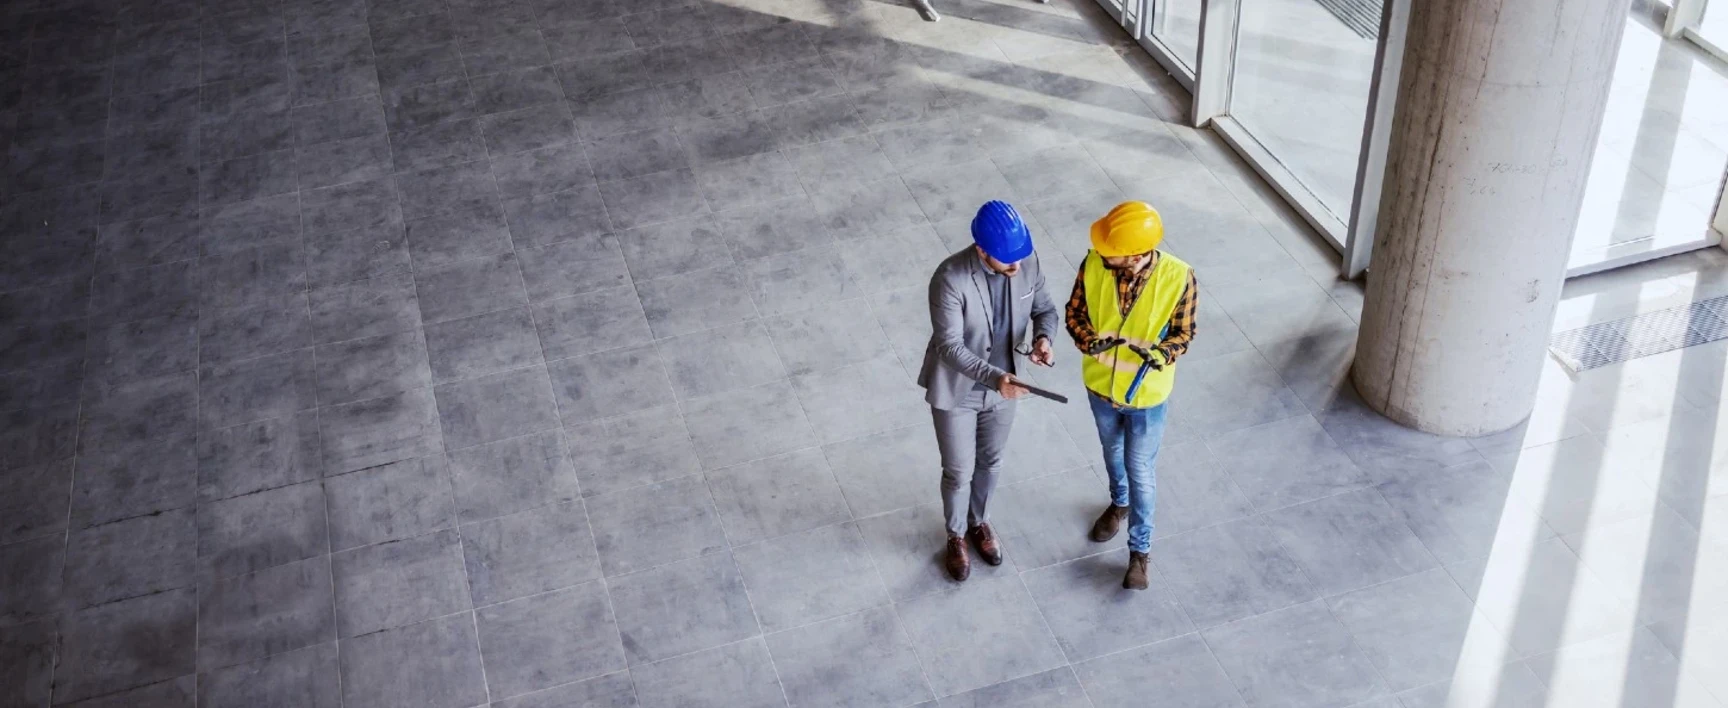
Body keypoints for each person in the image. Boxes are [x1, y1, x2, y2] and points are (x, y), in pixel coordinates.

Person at [918, 201, 1059, 582]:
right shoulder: (950, 277)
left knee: (991, 461)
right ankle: (955, 536)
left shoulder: (1024, 261)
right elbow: (949, 347)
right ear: (982, 251)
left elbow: (1045, 309)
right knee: (959, 470)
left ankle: (979, 522)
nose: (1016, 268)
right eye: (1006, 262)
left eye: (1019, 259)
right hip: (959, 391)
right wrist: (996, 377)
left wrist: (1045, 338)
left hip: (1005, 389)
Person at [1066, 201, 1198, 590]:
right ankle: (1118, 502)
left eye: (1112, 251)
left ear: (1137, 254)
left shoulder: (1179, 277)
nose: (1103, 254)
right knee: (1111, 453)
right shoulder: (1093, 263)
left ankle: (1139, 552)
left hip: (1146, 398)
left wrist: (1161, 355)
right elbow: (1075, 313)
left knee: (1140, 469)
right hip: (1100, 387)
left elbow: (1184, 333)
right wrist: (1088, 342)